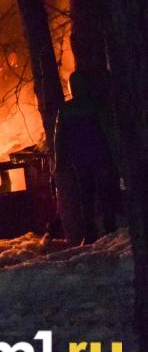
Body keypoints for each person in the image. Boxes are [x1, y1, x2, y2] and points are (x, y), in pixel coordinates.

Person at [54, 70, 120, 244]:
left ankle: (90, 234)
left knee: (86, 197)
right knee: (105, 194)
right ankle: (110, 229)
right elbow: (108, 131)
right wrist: (116, 155)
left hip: (80, 160)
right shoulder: (96, 105)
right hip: (101, 157)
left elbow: (59, 139)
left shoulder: (65, 110)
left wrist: (60, 162)